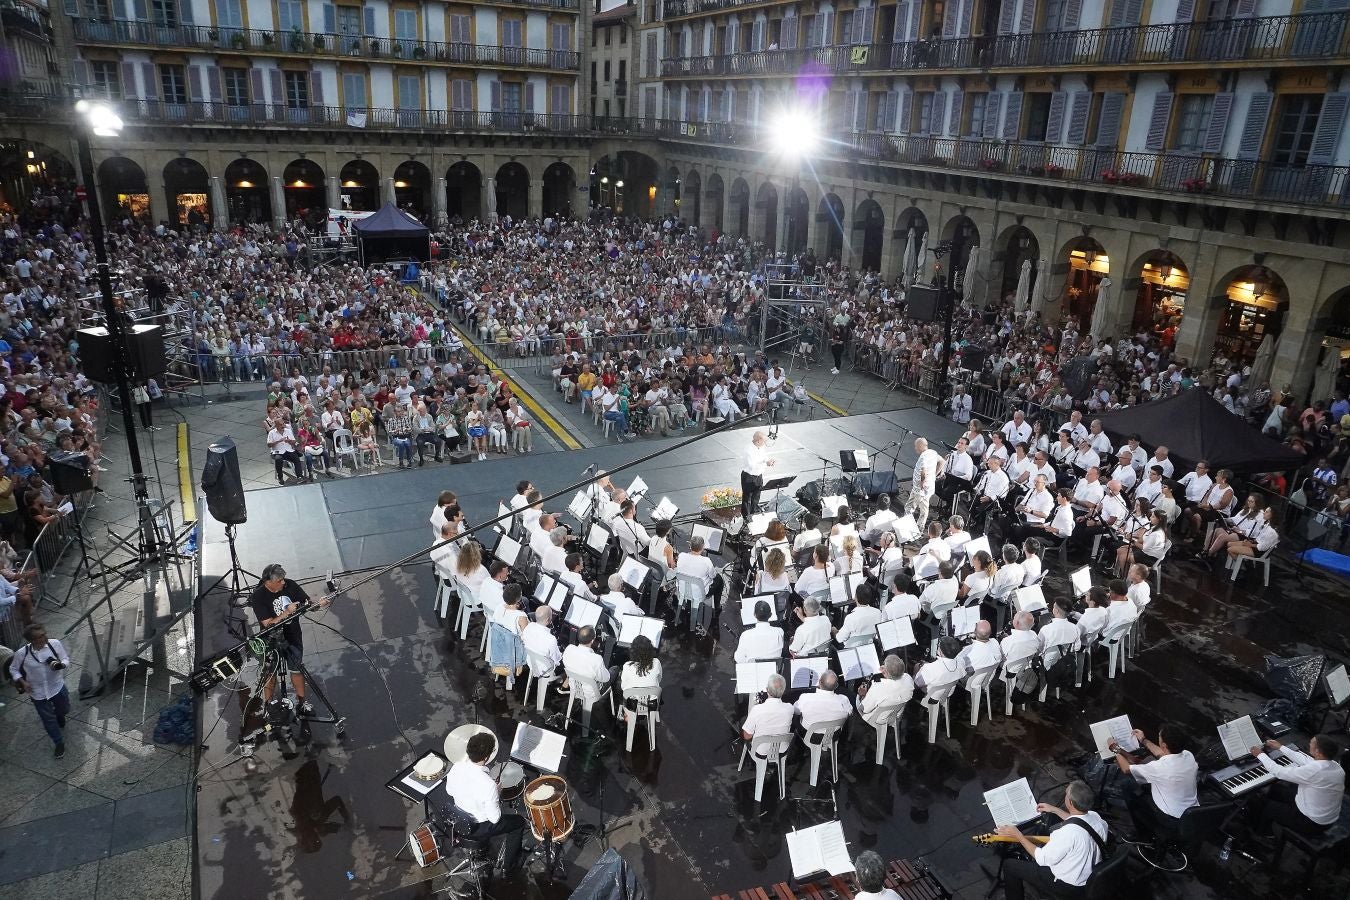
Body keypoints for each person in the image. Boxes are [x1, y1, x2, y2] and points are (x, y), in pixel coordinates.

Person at [995, 780, 1107, 900]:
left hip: (1067, 886)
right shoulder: (1097, 819)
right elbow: (1080, 821)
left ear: (1070, 802)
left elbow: (1041, 858)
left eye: (1066, 794)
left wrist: (1018, 835)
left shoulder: (1067, 834)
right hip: (1088, 877)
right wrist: (1054, 810)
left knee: (1010, 866)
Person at [248, 564, 330, 718]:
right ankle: (268, 705)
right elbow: (268, 624)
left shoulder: (290, 585)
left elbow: (306, 602)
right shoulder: (258, 596)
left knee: (297, 670)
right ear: (268, 582)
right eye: (279, 580)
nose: (283, 582)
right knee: (269, 674)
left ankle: (301, 703)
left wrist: (318, 603)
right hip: (270, 640)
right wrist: (287, 612)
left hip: (292, 636)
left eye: (283, 579)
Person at [442, 732, 527, 875]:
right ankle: (509, 866)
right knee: (518, 822)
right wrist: (497, 793)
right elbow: (495, 819)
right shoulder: (489, 786)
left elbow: (449, 791)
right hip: (478, 827)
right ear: (487, 757)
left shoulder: (457, 767)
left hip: (458, 819)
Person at [1109, 724, 1199, 844]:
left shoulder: (1160, 767)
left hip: (1170, 818)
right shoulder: (1188, 755)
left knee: (1127, 785)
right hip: (1191, 812)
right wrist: (1143, 740)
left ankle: (1144, 836)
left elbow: (1126, 769)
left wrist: (1114, 749)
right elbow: (1162, 754)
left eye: (1160, 737)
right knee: (1149, 760)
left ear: (1164, 745)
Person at [1247, 735, 1345, 837]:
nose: (1309, 744)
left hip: (1311, 822)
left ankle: (1264, 834)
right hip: (1322, 814)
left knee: (1262, 804)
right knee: (1275, 790)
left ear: (1317, 752)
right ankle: (1267, 819)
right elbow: (1306, 761)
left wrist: (1260, 755)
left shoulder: (1315, 771)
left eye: (1311, 743)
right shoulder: (1335, 765)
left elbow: (1279, 772)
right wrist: (1281, 747)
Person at [8, 622, 72, 757]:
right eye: (40, 636)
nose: (44, 638)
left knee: (65, 709)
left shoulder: (54, 644)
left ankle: (60, 715)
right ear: (32, 640)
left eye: (44, 634)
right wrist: (23, 682)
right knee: (48, 719)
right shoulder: (22, 653)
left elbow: (65, 658)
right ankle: (58, 742)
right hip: (37, 692)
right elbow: (13, 669)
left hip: (57, 686)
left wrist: (61, 665)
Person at [676, 534, 723, 634]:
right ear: (702, 547)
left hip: (682, 590)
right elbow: (713, 576)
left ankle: (688, 604)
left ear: (690, 546)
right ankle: (717, 607)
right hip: (698, 594)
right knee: (719, 579)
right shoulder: (706, 561)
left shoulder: (681, 556)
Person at [856, 654, 915, 725]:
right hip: (896, 716)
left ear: (886, 672)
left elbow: (865, 709)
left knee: (857, 701)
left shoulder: (877, 687)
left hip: (878, 720)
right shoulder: (908, 678)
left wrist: (862, 695)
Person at [741, 673, 794, 752]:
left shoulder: (757, 709)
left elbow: (747, 736)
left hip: (760, 752)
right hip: (782, 750)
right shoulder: (790, 708)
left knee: (743, 722)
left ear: (767, 690)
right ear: (783, 691)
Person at [620, 634, 662, 720]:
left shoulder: (627, 666)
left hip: (633, 706)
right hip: (652, 705)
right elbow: (659, 679)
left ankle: (628, 719)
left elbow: (623, 687)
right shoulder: (656, 662)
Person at [906, 437, 944, 526]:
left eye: (916, 446)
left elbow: (923, 472)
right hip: (929, 487)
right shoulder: (933, 453)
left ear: (921, 446)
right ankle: (920, 528)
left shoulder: (923, 457)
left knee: (909, 508)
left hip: (920, 489)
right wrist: (935, 474)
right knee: (924, 509)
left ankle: (906, 527)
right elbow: (942, 461)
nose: (915, 448)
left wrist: (922, 483)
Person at [740, 430, 775, 520]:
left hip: (758, 476)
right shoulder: (748, 449)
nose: (765, 443)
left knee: (756, 497)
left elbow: (764, 457)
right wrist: (765, 463)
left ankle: (753, 514)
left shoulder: (761, 447)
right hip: (749, 476)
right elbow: (752, 465)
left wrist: (768, 461)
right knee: (747, 498)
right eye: (764, 441)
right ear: (758, 441)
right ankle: (746, 517)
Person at [266, 416, 305, 484]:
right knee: (278, 459)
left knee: (296, 458)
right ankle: (280, 477)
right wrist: (278, 441)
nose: (283, 426)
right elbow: (269, 445)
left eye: (283, 424)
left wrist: (289, 441)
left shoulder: (288, 431)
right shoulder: (272, 433)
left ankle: (299, 476)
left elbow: (294, 441)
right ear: (276, 425)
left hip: (288, 450)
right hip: (278, 452)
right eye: (280, 425)